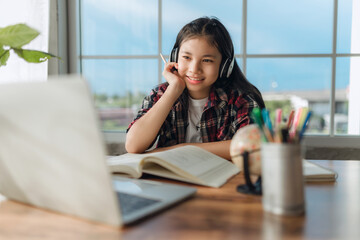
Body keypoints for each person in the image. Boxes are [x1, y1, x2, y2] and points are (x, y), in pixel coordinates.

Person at [125, 16, 265, 160]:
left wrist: (184, 149)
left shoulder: (240, 100)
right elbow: (133, 145)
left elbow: (252, 145)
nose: (194, 69)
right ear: (175, 57)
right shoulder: (161, 94)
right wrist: (173, 90)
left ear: (224, 66)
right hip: (171, 181)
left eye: (207, 60)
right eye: (186, 57)